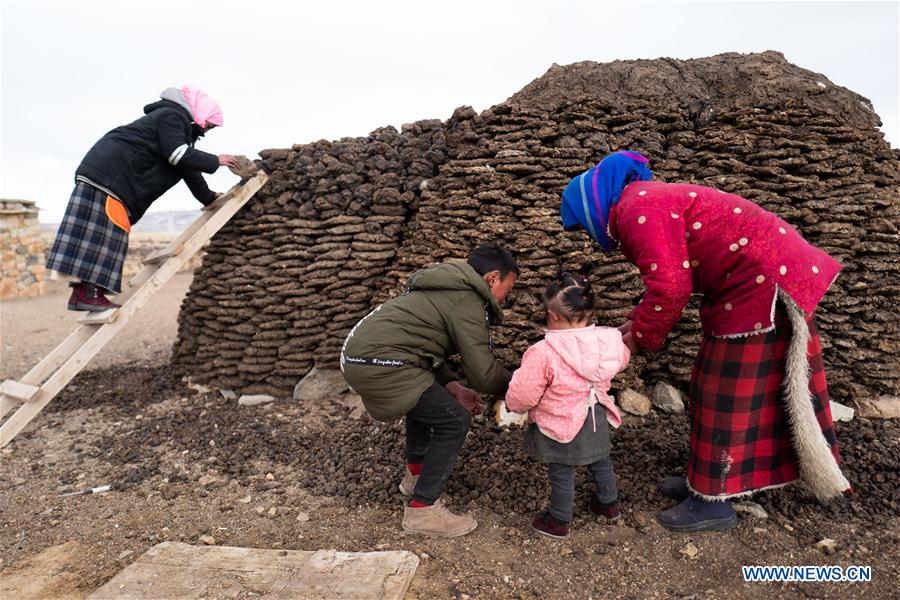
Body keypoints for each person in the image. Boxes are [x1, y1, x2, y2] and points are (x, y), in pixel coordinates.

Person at [560, 150, 850, 533]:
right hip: (753, 281)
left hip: (760, 287)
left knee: (722, 391)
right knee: (713, 384)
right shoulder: (641, 201)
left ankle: (712, 501)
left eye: (582, 225)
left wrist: (636, 341)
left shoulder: (635, 211)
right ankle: (709, 480)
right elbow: (665, 283)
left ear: (592, 206)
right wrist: (632, 326)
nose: (588, 235)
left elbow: (671, 288)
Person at [340, 243, 518, 538]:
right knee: (455, 420)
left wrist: (452, 386)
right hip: (382, 362)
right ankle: (423, 510)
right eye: (507, 291)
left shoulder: (442, 286)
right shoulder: (468, 300)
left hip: (360, 358)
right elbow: (483, 372)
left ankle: (416, 476)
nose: (505, 299)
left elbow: (422, 347)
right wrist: (522, 389)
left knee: (424, 402)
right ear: (493, 278)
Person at [46, 86, 237, 311]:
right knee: (107, 235)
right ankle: (89, 294)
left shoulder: (177, 125)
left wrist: (208, 197)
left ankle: (84, 294)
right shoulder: (172, 116)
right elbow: (178, 155)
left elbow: (188, 167)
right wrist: (217, 160)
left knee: (101, 236)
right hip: (112, 177)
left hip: (107, 177)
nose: (207, 129)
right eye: (209, 124)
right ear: (200, 112)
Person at [505, 273, 630, 540]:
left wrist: (513, 405)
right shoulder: (608, 342)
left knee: (562, 471)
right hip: (595, 413)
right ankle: (608, 505)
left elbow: (525, 391)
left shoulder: (545, 352)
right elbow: (622, 359)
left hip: (559, 420)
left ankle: (558, 520)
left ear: (553, 315)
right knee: (600, 461)